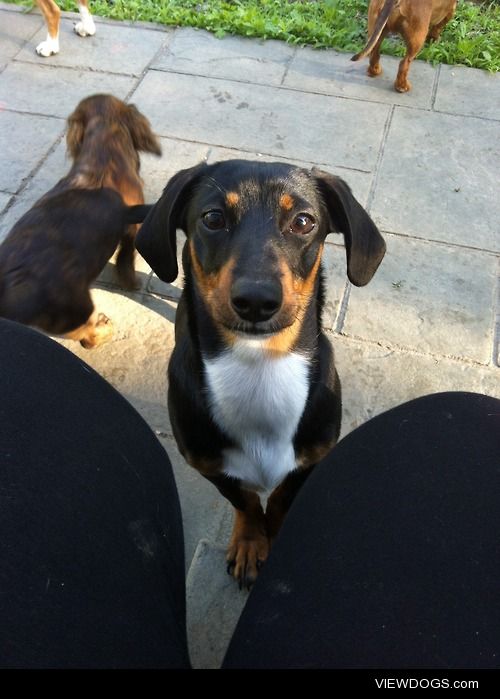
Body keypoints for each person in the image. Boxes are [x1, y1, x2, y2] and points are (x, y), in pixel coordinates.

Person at [0, 318, 498, 669]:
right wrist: (250, 515)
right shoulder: (197, 429)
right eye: (214, 221)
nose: (256, 284)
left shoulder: (321, 411)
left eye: (300, 222)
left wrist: (280, 510)